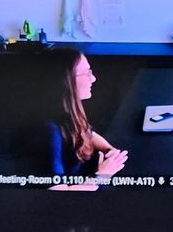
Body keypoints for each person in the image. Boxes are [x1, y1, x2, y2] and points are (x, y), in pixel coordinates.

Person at [26, 44, 126, 190]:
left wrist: (109, 151)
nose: (93, 79)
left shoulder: (65, 110)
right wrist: (102, 176)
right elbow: (56, 198)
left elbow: (86, 132)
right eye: (86, 73)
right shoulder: (48, 130)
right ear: (66, 81)